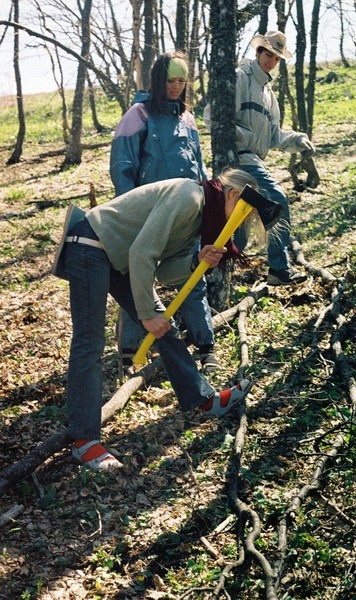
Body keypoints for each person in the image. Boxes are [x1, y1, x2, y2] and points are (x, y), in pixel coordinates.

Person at [57, 168, 259, 471]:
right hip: (89, 245)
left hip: (116, 257)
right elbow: (142, 253)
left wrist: (195, 261)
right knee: (90, 342)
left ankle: (204, 398)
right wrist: (146, 313)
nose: (241, 221)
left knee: (166, 328)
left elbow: (165, 271)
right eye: (245, 213)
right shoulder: (189, 195)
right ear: (233, 195)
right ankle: (83, 440)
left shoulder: (198, 218)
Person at [110, 51, 218, 371]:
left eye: (181, 80)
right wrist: (129, 214)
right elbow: (122, 168)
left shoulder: (187, 117)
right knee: (136, 278)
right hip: (146, 215)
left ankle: (205, 346)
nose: (175, 86)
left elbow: (198, 167)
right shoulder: (137, 115)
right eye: (170, 80)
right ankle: (130, 351)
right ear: (158, 80)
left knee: (192, 273)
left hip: (186, 215)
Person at [206, 31, 315, 285]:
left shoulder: (269, 95)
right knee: (276, 200)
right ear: (258, 52)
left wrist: (297, 140)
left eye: (277, 58)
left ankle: (211, 277)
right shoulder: (240, 77)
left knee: (238, 230)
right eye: (268, 54)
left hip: (254, 160)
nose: (271, 61)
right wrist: (243, 137)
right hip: (238, 161)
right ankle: (279, 269)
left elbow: (274, 137)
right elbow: (213, 117)